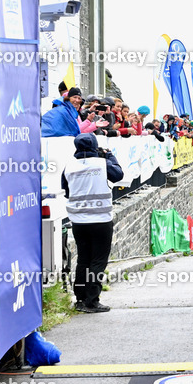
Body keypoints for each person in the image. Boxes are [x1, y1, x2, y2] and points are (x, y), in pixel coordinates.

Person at [61, 133, 123, 313]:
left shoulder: (69, 166)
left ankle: (79, 299)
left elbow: (66, 191)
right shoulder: (102, 163)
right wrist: (109, 155)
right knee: (98, 260)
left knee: (83, 260)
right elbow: (118, 175)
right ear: (96, 146)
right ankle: (92, 301)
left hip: (79, 220)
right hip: (101, 219)